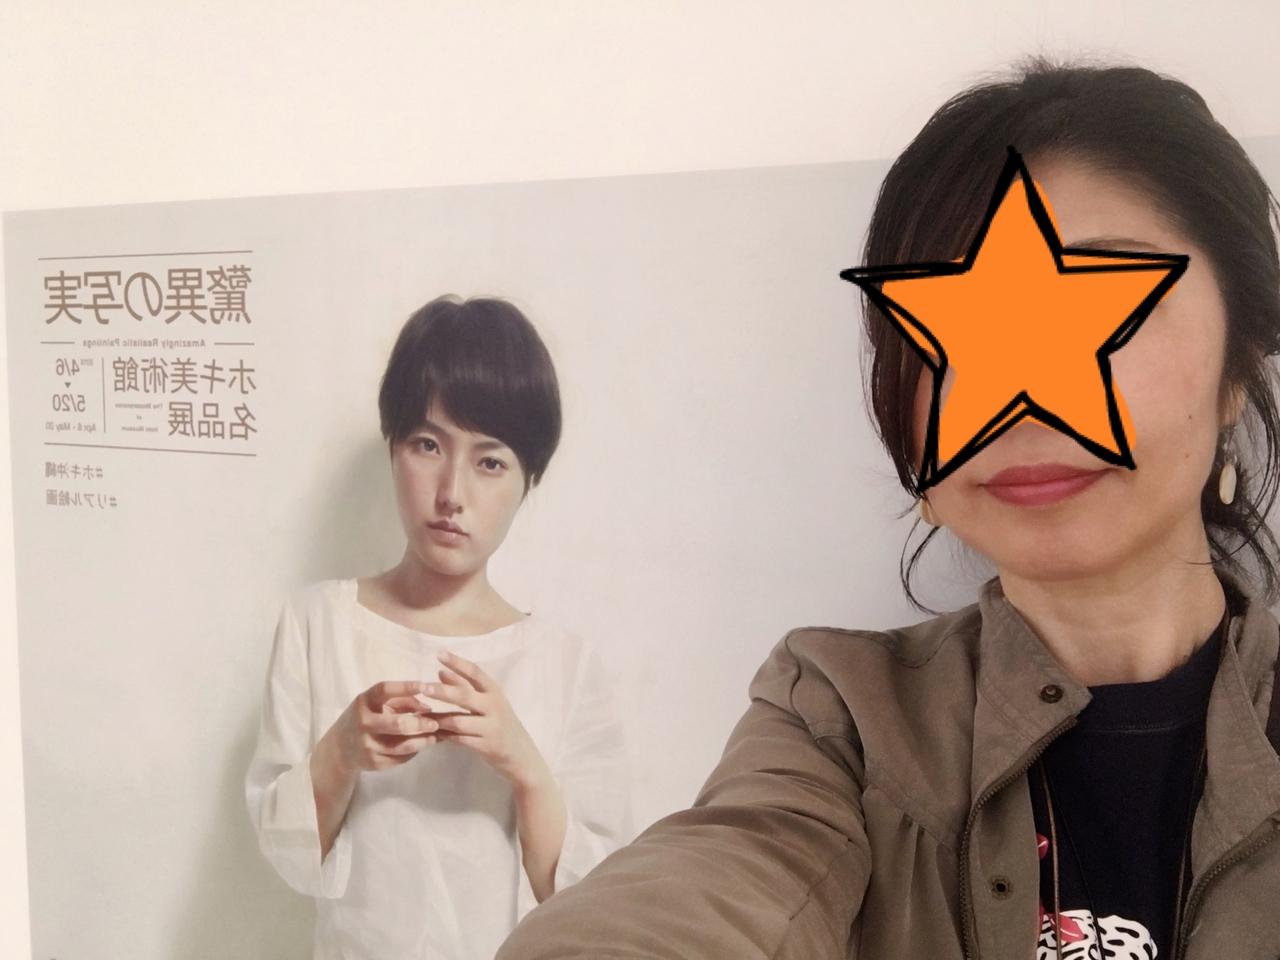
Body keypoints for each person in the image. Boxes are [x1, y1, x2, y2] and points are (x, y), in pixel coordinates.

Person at [494, 57, 1280, 959]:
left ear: (1236, 366)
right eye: (957, 333)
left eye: (1099, 306)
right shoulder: (837, 718)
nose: (1023, 405)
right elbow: (714, 885)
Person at [245, 295, 633, 960]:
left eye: (490, 461)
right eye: (427, 445)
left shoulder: (567, 666)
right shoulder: (317, 624)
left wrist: (525, 766)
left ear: (528, 480)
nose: (453, 492)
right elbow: (285, 859)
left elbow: (598, 907)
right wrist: (342, 749)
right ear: (393, 448)